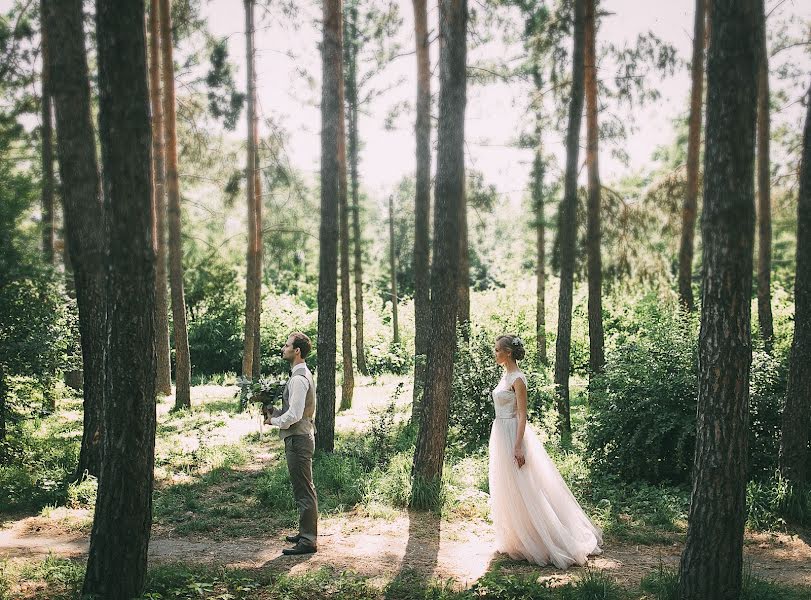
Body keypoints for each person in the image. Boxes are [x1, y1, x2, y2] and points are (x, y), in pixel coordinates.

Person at [489, 334, 602, 568]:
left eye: (498, 350)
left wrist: (518, 445)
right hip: (500, 432)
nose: (495, 353)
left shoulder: (518, 379)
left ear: (508, 353)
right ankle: (519, 536)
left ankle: (545, 538)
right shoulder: (505, 375)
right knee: (509, 487)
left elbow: (522, 414)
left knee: (526, 486)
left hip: (513, 433)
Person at [269, 332, 318, 555]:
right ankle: (305, 532)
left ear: (296, 351)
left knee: (304, 490)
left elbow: (295, 415)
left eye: (287, 345)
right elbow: (294, 411)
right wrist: (276, 411)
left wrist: (274, 420)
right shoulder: (301, 374)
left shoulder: (298, 379)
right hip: (300, 437)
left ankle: (308, 541)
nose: (283, 348)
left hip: (299, 439)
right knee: (302, 488)